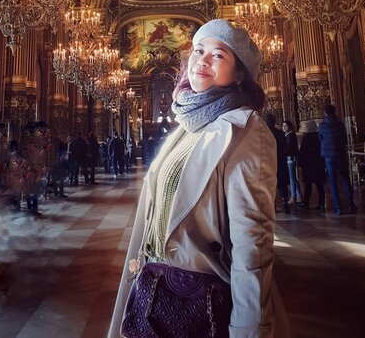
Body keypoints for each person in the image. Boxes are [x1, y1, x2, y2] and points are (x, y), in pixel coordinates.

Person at [107, 18, 279, 338]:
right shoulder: (188, 123)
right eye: (199, 50)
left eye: (218, 54)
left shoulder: (247, 132)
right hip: (154, 289)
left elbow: (251, 243)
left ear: (239, 72)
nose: (202, 59)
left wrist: (249, 329)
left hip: (201, 299)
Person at [318, 104, 357, 215]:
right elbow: (345, 138)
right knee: (345, 179)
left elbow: (320, 140)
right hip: (341, 154)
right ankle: (351, 204)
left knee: (333, 182)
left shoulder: (322, 126)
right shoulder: (340, 125)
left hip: (329, 156)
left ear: (325, 113)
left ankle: (338, 207)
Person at [298, 120, 326, 210]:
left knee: (308, 186)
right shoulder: (319, 136)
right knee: (319, 185)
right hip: (318, 163)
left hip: (308, 165)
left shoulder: (306, 138)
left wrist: (300, 163)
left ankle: (306, 203)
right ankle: (321, 203)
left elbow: (302, 152)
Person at [266, 113, 290, 214]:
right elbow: (285, 145)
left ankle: (272, 206)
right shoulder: (280, 133)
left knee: (269, 185)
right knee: (281, 184)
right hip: (280, 160)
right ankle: (285, 202)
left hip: (268, 161)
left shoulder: (264, 133)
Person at [283, 119, 303, 205]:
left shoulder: (290, 135)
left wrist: (282, 153)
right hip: (290, 158)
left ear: (289, 126)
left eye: (285, 126)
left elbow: (288, 147)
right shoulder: (288, 135)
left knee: (292, 178)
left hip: (291, 158)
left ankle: (293, 197)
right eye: (283, 126)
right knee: (293, 178)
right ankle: (299, 196)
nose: (284, 127)